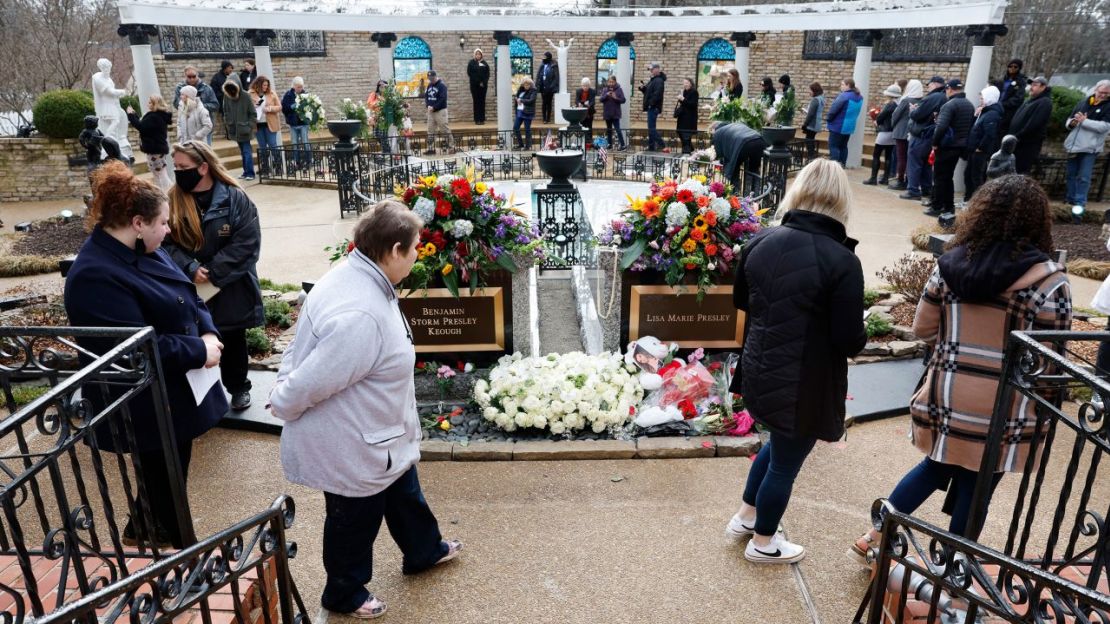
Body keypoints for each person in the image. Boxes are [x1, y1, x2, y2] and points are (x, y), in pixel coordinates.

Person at [852, 174, 1071, 560]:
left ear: (981, 214)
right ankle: (953, 569)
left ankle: (874, 534)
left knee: (934, 467)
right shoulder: (1049, 283)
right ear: (1038, 222)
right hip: (1006, 407)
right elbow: (1047, 363)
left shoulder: (949, 266)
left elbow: (922, 329)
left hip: (948, 393)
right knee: (978, 484)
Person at [270, 200, 463, 619]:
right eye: (414, 249)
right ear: (393, 250)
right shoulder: (361, 313)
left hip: (379, 432)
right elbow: (316, 376)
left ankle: (423, 550)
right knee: (352, 519)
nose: (417, 256)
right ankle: (343, 592)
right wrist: (283, 401)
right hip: (354, 441)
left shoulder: (356, 273)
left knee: (404, 492)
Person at [64, 160, 226, 548]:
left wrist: (208, 330)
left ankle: (149, 536)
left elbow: (186, 293)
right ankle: (173, 555)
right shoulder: (94, 275)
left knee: (164, 483)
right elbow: (134, 348)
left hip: (173, 390)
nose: (169, 230)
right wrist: (198, 349)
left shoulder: (143, 247)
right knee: (163, 482)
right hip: (142, 403)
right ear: (137, 222)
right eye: (163, 223)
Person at [726, 159, 866, 564]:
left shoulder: (762, 240)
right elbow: (848, 339)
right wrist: (863, 330)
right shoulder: (842, 260)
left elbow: (740, 300)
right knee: (785, 463)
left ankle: (746, 517)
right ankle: (764, 542)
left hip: (760, 370)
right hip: (803, 382)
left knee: (776, 449)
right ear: (841, 199)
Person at [163, 140, 263, 412]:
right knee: (194, 341)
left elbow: (247, 244)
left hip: (230, 285)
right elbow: (164, 242)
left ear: (203, 167)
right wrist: (190, 268)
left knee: (232, 338)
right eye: (176, 167)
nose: (179, 172)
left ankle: (238, 386)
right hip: (190, 285)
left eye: (184, 167)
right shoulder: (172, 200)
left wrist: (213, 273)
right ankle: (204, 395)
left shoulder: (234, 197)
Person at [927, 78, 975, 217]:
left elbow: (941, 127)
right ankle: (949, 207)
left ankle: (937, 206)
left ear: (949, 89)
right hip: (959, 146)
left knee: (940, 177)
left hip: (946, 146)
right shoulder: (969, 105)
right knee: (948, 177)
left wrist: (935, 143)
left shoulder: (950, 105)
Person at [1063, 80, 1110, 216]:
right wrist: (1072, 123)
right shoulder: (1083, 102)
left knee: (1084, 176)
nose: (1103, 95)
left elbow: (1105, 127)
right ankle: (1070, 200)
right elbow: (1069, 121)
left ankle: (1079, 203)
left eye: (1106, 93)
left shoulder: (1108, 106)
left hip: (1090, 148)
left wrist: (1085, 121)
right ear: (1095, 90)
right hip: (1074, 145)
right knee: (1071, 175)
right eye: (1101, 92)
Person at [901, 76, 947, 201]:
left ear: (935, 84)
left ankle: (913, 190)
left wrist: (912, 110)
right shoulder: (943, 96)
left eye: (929, 85)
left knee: (914, 162)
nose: (928, 87)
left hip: (922, 134)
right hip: (931, 134)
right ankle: (926, 188)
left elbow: (917, 115)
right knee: (927, 164)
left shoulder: (933, 97)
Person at [126, 95, 174, 193]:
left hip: (155, 149)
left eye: (150, 102)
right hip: (157, 149)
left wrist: (130, 115)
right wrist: (134, 114)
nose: (148, 104)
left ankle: (169, 193)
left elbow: (141, 127)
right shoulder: (158, 115)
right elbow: (144, 125)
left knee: (160, 174)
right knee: (159, 173)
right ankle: (165, 192)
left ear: (154, 104)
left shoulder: (154, 116)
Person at [964, 85, 1003, 201]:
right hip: (974, 149)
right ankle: (969, 199)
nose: (980, 101)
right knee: (968, 174)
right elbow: (975, 127)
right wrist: (975, 116)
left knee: (976, 177)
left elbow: (989, 134)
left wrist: (981, 147)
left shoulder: (992, 114)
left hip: (979, 151)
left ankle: (977, 201)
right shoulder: (985, 111)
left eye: (982, 98)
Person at [1008, 76, 1053, 174]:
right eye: (1031, 84)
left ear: (1043, 87)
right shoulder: (1030, 100)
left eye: (1035, 85)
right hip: (1017, 143)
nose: (1031, 87)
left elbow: (1034, 124)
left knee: (1020, 173)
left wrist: (1018, 136)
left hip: (1027, 145)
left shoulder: (1045, 102)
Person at [711, 122, 767, 194]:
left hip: (744, 144)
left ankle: (736, 194)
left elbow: (719, 153)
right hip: (759, 140)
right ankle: (754, 195)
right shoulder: (736, 124)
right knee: (754, 170)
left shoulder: (718, 132)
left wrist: (721, 161)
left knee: (734, 169)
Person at [173, 66, 219, 145]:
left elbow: (215, 105)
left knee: (205, 153)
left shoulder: (207, 88)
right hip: (187, 127)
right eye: (189, 77)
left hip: (203, 126)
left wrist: (198, 106)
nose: (192, 79)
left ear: (197, 75)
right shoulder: (180, 88)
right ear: (185, 76)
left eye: (194, 76)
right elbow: (176, 104)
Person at [864, 84, 900, 186]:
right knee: (888, 156)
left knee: (876, 155)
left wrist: (876, 120)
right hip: (893, 133)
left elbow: (880, 118)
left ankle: (873, 178)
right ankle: (885, 178)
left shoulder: (890, 104)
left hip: (884, 132)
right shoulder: (899, 104)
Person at [890, 80, 922, 190]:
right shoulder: (922, 100)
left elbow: (895, 115)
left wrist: (893, 125)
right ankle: (909, 180)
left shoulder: (906, 100)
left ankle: (900, 180)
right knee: (910, 158)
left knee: (901, 157)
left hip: (901, 132)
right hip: (913, 132)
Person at [222, 80, 257, 180]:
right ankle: (246, 172)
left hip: (244, 129)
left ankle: (250, 173)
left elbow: (253, 113)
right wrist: (228, 122)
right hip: (234, 129)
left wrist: (248, 126)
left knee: (246, 151)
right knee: (242, 152)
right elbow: (225, 111)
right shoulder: (227, 96)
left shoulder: (245, 96)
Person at [825, 78, 863, 167]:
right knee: (843, 146)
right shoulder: (859, 97)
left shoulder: (844, 96)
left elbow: (833, 110)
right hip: (849, 126)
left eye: (842, 84)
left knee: (834, 146)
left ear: (848, 85)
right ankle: (842, 166)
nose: (840, 86)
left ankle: (834, 168)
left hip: (838, 125)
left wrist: (829, 119)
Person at [250, 75, 283, 176]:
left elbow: (279, 107)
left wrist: (269, 109)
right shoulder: (250, 93)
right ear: (258, 84)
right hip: (258, 124)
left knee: (273, 145)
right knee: (262, 147)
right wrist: (253, 107)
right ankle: (265, 168)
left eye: (267, 85)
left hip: (271, 123)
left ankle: (278, 167)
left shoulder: (271, 93)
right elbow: (246, 108)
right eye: (264, 85)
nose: (265, 87)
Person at [281, 77, 312, 172]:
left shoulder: (305, 95)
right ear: (294, 86)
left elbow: (310, 108)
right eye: (298, 87)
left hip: (303, 123)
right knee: (295, 144)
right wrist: (292, 106)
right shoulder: (288, 95)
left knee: (305, 142)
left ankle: (309, 161)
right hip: (293, 124)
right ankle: (297, 162)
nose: (300, 89)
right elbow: (284, 109)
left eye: (301, 87)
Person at [423, 70, 455, 155]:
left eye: (432, 78)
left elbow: (443, 98)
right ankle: (431, 149)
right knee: (430, 131)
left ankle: (451, 147)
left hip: (440, 111)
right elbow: (426, 96)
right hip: (431, 111)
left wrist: (435, 107)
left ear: (436, 76)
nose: (431, 80)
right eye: (429, 78)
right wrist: (428, 105)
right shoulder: (429, 85)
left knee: (444, 129)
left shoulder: (442, 86)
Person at [995, 59, 1028, 135]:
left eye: (1015, 66)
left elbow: (1018, 98)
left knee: (1003, 131)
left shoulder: (1021, 81)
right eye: (1010, 66)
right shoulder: (1003, 79)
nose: (1012, 68)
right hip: (997, 108)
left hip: (1009, 112)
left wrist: (1004, 104)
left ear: (1019, 68)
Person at [639, 63, 667, 151]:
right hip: (651, 107)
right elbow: (648, 93)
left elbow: (657, 94)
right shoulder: (653, 80)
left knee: (651, 129)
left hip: (653, 107)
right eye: (650, 69)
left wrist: (651, 104)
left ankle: (662, 144)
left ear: (657, 69)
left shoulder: (659, 80)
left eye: (652, 69)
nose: (650, 71)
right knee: (651, 128)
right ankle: (651, 147)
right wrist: (643, 88)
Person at [600, 75, 627, 150]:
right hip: (607, 113)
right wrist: (606, 95)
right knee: (609, 130)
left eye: (612, 82)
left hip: (615, 113)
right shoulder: (605, 89)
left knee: (617, 129)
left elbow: (623, 100)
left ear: (615, 82)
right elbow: (601, 99)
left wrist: (616, 98)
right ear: (607, 82)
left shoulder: (619, 89)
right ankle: (609, 144)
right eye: (609, 82)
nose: (611, 83)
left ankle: (623, 145)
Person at [675, 77, 699, 155]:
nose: (685, 84)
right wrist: (680, 98)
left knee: (686, 136)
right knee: (680, 133)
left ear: (691, 83)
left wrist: (683, 99)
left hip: (689, 118)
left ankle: (686, 152)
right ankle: (691, 150)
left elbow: (693, 105)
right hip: (682, 117)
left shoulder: (694, 92)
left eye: (687, 83)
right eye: (684, 83)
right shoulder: (684, 91)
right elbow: (684, 104)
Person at [513, 77, 538, 150]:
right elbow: (517, 98)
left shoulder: (533, 90)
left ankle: (528, 146)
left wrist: (522, 100)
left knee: (527, 129)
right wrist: (517, 99)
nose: (526, 86)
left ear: (531, 84)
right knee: (515, 127)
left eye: (528, 85)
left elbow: (531, 100)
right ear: (523, 84)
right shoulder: (520, 90)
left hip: (527, 112)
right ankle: (520, 144)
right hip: (519, 111)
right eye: (525, 85)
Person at [802, 82, 824, 161]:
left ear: (814, 90)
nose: (809, 92)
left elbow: (811, 114)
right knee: (811, 140)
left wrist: (805, 124)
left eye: (810, 90)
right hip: (817, 123)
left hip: (812, 124)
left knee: (809, 141)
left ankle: (811, 157)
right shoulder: (821, 98)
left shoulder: (815, 100)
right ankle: (812, 156)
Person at [467, 49, 490, 125]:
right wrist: (478, 82)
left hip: (483, 86)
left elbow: (487, 74)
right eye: (476, 54)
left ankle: (482, 119)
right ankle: (477, 120)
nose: (478, 55)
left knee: (482, 102)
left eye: (479, 54)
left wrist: (483, 82)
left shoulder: (485, 63)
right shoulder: (471, 63)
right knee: (476, 102)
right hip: (474, 85)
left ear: (481, 55)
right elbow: (470, 73)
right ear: (474, 55)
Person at [536, 52, 559, 124]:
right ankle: (544, 118)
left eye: (545, 56)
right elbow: (538, 76)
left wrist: (551, 87)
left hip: (550, 88)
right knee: (544, 103)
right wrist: (538, 85)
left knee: (549, 103)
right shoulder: (542, 65)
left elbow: (556, 77)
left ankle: (548, 118)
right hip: (543, 87)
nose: (544, 58)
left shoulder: (553, 65)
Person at [574, 77, 597, 145]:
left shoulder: (592, 91)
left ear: (589, 85)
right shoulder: (578, 91)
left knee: (589, 127)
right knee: (582, 126)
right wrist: (578, 104)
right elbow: (576, 100)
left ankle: (589, 142)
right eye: (584, 85)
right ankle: (581, 141)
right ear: (581, 85)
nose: (585, 87)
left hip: (589, 112)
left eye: (587, 85)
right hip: (581, 112)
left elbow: (593, 101)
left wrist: (589, 105)